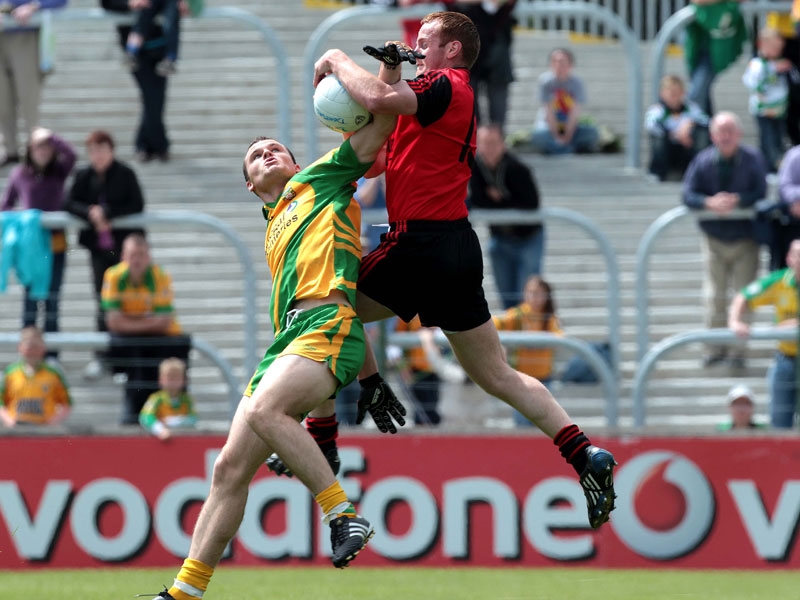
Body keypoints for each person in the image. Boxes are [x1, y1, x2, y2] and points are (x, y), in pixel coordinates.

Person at [313, 11, 616, 530]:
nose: (416, 47)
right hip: (455, 246)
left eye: (425, 40)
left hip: (419, 242)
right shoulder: (429, 100)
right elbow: (381, 132)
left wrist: (337, 60)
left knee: (324, 309)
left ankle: (323, 439)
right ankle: (584, 453)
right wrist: (387, 71)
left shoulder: (447, 83)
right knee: (495, 373)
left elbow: (379, 104)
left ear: (452, 50)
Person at [144, 89, 398, 600]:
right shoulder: (273, 226)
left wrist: (375, 78)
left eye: (276, 148)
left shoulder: (318, 180)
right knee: (228, 468)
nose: (266, 152)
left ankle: (342, 514)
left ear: (296, 162)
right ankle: (184, 593)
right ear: (249, 184)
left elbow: (379, 127)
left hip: (328, 327)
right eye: (256, 155)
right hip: (294, 337)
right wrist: (350, 399)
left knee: (264, 412)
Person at [682, 111, 768, 370]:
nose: (726, 136)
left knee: (744, 296)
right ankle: (714, 347)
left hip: (745, 239)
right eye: (721, 131)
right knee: (714, 296)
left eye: (730, 130)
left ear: (739, 134)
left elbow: (760, 190)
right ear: (712, 135)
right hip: (714, 239)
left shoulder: (753, 158)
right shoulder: (703, 160)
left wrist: (737, 201)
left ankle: (738, 350)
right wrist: (709, 202)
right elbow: (688, 193)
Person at [63, 130, 146, 380]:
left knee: (130, 301)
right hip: (99, 250)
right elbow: (67, 202)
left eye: (102, 150)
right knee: (104, 302)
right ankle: (105, 358)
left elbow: (137, 203)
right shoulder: (84, 175)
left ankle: (127, 361)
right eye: (93, 151)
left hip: (126, 251)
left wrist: (107, 213)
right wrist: (90, 213)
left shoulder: (125, 173)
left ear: (111, 150)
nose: (98, 156)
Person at [1, 127, 77, 356]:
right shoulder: (20, 173)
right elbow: (6, 204)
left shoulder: (58, 171)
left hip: (55, 242)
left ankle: (51, 353)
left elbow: (72, 155)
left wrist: (50, 136)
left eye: (46, 147)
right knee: (31, 298)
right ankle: (28, 351)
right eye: (38, 146)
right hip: (31, 245)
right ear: (30, 150)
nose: (43, 151)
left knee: (52, 298)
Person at [102, 233, 190, 425]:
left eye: (141, 255)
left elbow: (164, 322)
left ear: (148, 257)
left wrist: (129, 321)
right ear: (123, 257)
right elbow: (112, 322)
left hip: (163, 340)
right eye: (133, 255)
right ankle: (134, 415)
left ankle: (178, 413)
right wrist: (147, 320)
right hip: (136, 343)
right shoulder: (113, 276)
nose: (137, 260)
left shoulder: (160, 276)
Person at [468, 122, 543, 308]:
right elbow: (478, 200)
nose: (489, 148)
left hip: (528, 239)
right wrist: (499, 200)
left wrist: (498, 200)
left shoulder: (518, 168)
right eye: (484, 143)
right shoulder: (476, 168)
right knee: (507, 298)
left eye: (493, 142)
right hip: (501, 239)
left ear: (503, 144)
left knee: (527, 298)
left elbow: (531, 203)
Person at [728, 238, 800, 429]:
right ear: (789, 258)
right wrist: (735, 321)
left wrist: (787, 325)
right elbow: (743, 295)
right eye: (798, 256)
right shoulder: (779, 281)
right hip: (786, 357)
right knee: (779, 422)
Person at [101, 0, 184, 161]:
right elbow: (107, 3)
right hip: (137, 53)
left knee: (155, 98)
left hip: (160, 48)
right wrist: (130, 4)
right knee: (152, 96)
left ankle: (147, 145)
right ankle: (157, 145)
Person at [0, 0, 67, 167]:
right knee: (2, 101)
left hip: (25, 34)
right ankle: (10, 151)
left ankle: (35, 151)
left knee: (28, 98)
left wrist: (33, 6)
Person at [492, 275, 561, 427]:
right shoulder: (517, 315)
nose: (534, 297)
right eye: (530, 292)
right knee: (522, 422)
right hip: (522, 379)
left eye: (538, 293)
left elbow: (559, 337)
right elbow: (496, 323)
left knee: (545, 422)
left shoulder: (549, 318)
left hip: (544, 378)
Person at [452, 0, 516, 127]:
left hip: (497, 45)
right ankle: (474, 143)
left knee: (498, 113)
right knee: (469, 108)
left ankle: (496, 143)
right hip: (467, 44)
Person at [529, 47, 599, 155]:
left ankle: (559, 149)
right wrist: (557, 136)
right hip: (549, 126)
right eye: (554, 62)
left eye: (562, 62)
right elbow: (548, 111)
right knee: (538, 135)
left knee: (592, 133)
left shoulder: (577, 83)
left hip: (571, 127)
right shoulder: (545, 81)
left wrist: (567, 136)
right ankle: (567, 149)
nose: (558, 66)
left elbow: (575, 112)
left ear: (570, 65)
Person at [742, 26, 792, 174]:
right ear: (761, 45)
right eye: (773, 47)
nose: (777, 51)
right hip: (764, 110)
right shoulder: (757, 64)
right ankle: (769, 167)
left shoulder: (782, 62)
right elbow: (751, 81)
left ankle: (776, 165)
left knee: (779, 138)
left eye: (779, 48)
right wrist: (773, 68)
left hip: (780, 110)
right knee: (767, 140)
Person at [684, 0, 747, 117]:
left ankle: (696, 128)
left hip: (716, 46)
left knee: (697, 95)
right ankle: (705, 129)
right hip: (698, 45)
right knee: (701, 94)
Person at [0, 326, 71, 427]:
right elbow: (1, 402)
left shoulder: (53, 373)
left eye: (36, 347)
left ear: (43, 348)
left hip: (44, 430)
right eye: (29, 346)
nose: (32, 351)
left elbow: (66, 404)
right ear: (20, 347)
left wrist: (52, 423)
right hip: (17, 430)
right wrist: (9, 421)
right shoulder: (10, 372)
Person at [644, 74, 709, 182]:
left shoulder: (691, 108)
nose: (674, 95)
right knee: (657, 138)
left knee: (702, 135)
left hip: (686, 149)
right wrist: (675, 134)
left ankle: (698, 171)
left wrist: (691, 124)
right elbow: (652, 126)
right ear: (662, 94)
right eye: (671, 92)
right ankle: (658, 172)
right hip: (667, 149)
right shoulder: (657, 110)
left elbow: (708, 122)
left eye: (677, 92)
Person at [396, 315, 441, 425]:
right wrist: (404, 368)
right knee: (422, 410)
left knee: (432, 405)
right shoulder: (406, 315)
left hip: (434, 368)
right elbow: (397, 342)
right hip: (416, 368)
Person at [139, 357, 197, 440]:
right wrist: (160, 430)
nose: (173, 381)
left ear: (184, 380)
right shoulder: (156, 399)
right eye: (169, 378)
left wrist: (171, 421)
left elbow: (193, 419)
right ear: (161, 379)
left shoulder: (187, 399)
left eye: (177, 378)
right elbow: (145, 417)